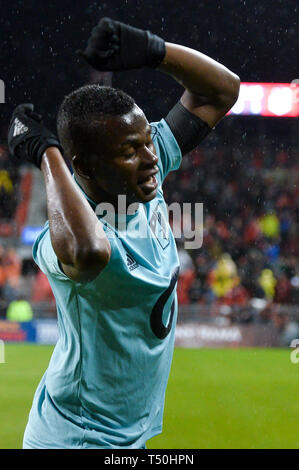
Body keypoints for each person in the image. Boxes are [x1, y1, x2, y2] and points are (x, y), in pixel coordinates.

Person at [8, 17, 239, 449]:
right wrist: (46, 152)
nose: (151, 157)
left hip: (125, 436)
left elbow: (223, 90)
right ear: (86, 167)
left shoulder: (140, 176)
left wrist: (151, 50)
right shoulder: (64, 238)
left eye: (147, 140)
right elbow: (89, 252)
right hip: (77, 438)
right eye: (130, 151)